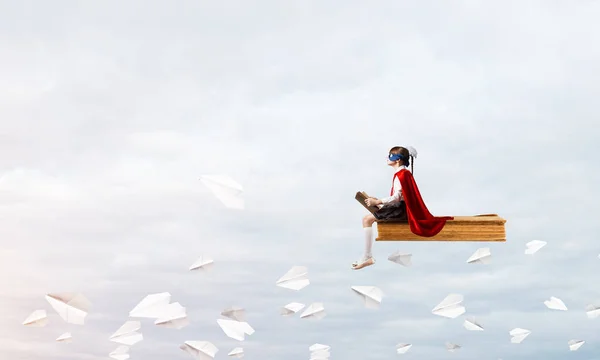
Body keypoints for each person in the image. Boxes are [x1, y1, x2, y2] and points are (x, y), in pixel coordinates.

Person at [352, 146, 453, 270]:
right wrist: (378, 202)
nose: (387, 158)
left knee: (366, 220)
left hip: (401, 210)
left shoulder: (402, 174)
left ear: (398, 160)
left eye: (390, 156)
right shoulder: (403, 174)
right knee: (370, 215)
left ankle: (367, 256)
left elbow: (397, 197)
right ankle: (367, 256)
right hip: (400, 207)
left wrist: (378, 201)